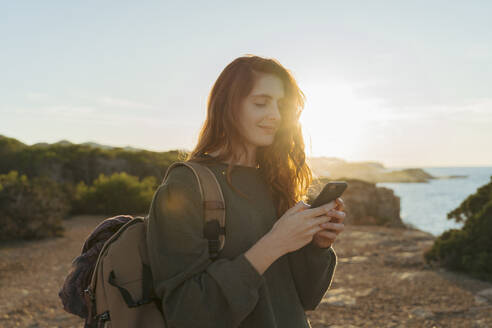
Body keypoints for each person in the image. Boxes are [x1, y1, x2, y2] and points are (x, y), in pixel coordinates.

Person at [146, 54, 346, 328]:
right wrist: (274, 244)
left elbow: (306, 297)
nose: (275, 115)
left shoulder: (277, 182)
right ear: (228, 106)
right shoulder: (185, 186)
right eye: (261, 103)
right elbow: (185, 312)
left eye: (281, 105)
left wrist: (318, 246)